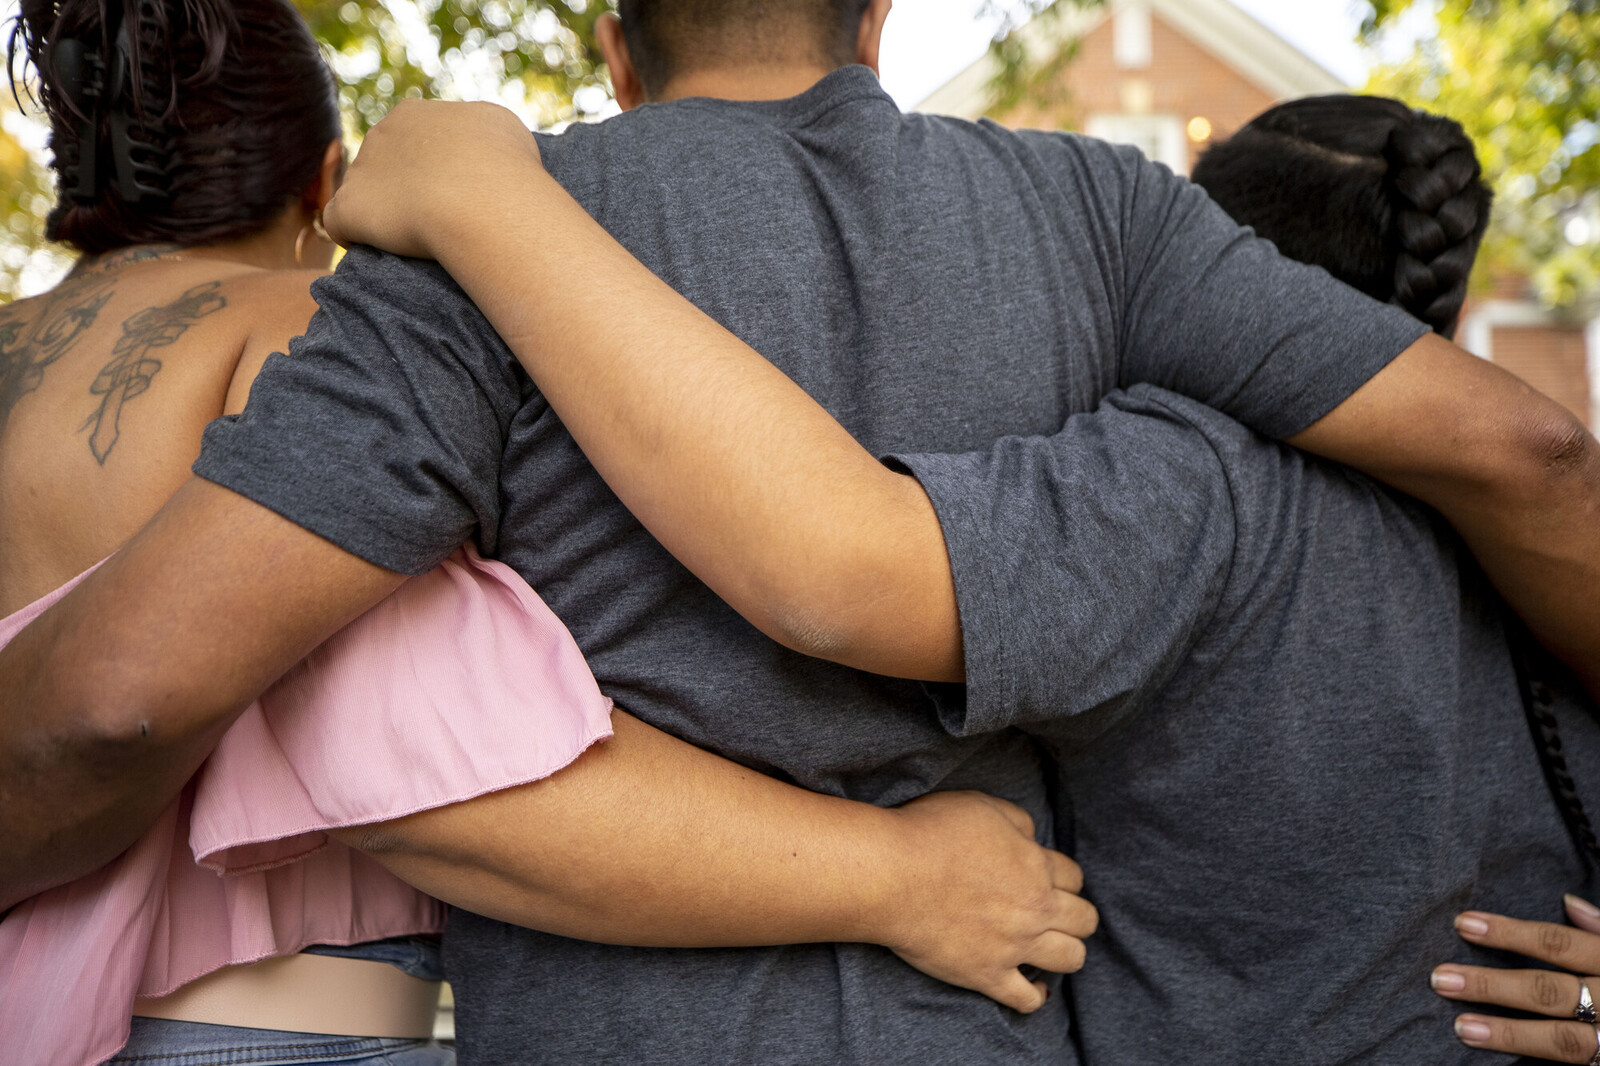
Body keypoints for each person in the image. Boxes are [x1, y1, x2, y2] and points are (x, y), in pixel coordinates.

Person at [3, 0, 1599, 1061]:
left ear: (614, 47)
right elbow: (1528, 452)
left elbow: (118, 694)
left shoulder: (476, 244)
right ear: (881, 20)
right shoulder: (1108, 221)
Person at [0, 1, 1093, 1062]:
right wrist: (902, 874)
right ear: (326, 189)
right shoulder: (305, 344)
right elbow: (439, 766)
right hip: (272, 1027)